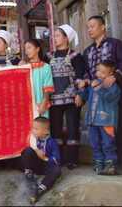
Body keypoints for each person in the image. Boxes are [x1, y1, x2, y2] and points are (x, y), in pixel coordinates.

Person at [82, 15, 122, 169]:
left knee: (116, 127)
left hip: (112, 95)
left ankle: (121, 164)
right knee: (97, 132)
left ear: (103, 27)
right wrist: (85, 83)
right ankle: (102, 163)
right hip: (95, 98)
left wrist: (115, 76)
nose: (90, 29)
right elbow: (86, 72)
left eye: (93, 26)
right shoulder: (88, 51)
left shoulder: (115, 44)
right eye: (88, 27)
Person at [46, 25, 86, 169]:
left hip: (71, 98)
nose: (54, 38)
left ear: (66, 38)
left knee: (72, 128)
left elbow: (81, 76)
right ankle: (58, 158)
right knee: (55, 130)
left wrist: (80, 95)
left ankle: (72, 160)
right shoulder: (48, 56)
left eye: (57, 35)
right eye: (54, 35)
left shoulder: (76, 56)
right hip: (54, 99)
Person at [77, 61, 121, 175]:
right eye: (98, 71)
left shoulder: (112, 85)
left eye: (103, 72)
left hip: (106, 120)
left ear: (110, 73)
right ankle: (99, 164)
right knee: (95, 143)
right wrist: (82, 89)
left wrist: (99, 88)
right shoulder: (94, 84)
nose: (99, 74)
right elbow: (86, 96)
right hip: (92, 120)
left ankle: (110, 165)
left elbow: (111, 98)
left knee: (108, 143)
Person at [21, 117, 61, 203]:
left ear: (46, 131)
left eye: (35, 129)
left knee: (57, 170)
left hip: (46, 167)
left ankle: (40, 189)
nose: (33, 130)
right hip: (35, 165)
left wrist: (44, 158)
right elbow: (26, 152)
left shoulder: (52, 142)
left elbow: (56, 159)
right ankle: (29, 173)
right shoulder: (33, 139)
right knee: (28, 151)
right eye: (33, 128)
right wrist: (36, 151)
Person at [24, 39, 54, 118]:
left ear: (37, 49)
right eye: (25, 49)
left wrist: (43, 104)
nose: (27, 51)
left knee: (42, 129)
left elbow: (48, 88)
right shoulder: (24, 68)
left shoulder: (46, 67)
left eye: (29, 48)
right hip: (27, 107)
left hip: (41, 106)